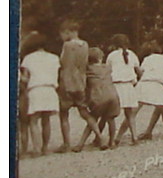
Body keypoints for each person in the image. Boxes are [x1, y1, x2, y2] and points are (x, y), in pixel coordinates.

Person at [56, 19, 102, 153]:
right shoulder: (85, 45)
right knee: (84, 112)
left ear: (67, 32)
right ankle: (100, 136)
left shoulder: (67, 45)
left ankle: (66, 144)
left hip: (67, 83)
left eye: (63, 34)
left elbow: (62, 62)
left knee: (64, 114)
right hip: (81, 83)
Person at [20, 31, 60, 156]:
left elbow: (25, 78)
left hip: (36, 90)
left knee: (34, 121)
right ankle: (45, 148)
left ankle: (36, 149)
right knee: (46, 120)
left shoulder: (28, 58)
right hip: (51, 90)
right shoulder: (54, 57)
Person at [75, 47, 120, 151]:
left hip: (98, 97)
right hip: (113, 95)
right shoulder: (107, 68)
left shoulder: (88, 69)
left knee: (93, 118)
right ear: (100, 58)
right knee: (111, 120)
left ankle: (81, 144)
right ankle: (112, 142)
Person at [107, 33, 141, 146]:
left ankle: (111, 140)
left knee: (112, 114)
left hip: (117, 86)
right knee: (130, 114)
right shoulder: (132, 54)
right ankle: (134, 137)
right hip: (129, 86)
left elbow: (108, 71)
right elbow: (138, 69)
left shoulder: (112, 55)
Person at [137, 41, 163, 141]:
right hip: (159, 85)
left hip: (146, 84)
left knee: (134, 110)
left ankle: (122, 135)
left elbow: (141, 72)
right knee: (162, 109)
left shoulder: (146, 59)